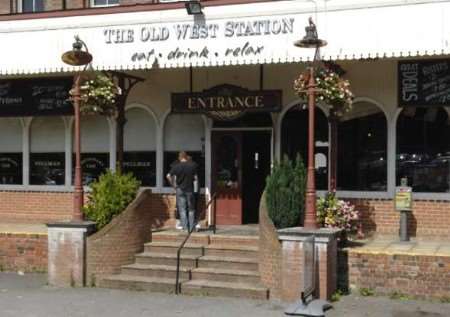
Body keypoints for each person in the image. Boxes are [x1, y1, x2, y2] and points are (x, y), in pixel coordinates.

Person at [166, 151, 198, 232]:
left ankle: (185, 228)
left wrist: (174, 186)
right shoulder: (192, 165)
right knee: (191, 209)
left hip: (180, 189)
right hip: (189, 189)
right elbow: (195, 177)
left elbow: (168, 176)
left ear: (179, 157)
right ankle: (191, 228)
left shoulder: (176, 166)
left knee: (182, 209)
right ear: (186, 157)